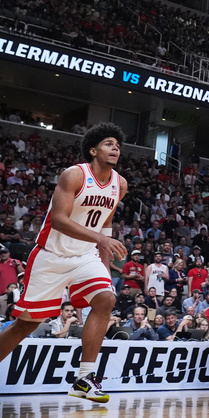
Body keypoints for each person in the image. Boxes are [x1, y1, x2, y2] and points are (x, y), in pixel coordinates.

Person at [0, 123, 127, 403]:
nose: (115, 147)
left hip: (85, 256)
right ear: (93, 150)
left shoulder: (120, 184)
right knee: (26, 325)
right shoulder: (74, 174)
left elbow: (105, 226)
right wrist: (102, 240)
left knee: (106, 298)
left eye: (118, 144)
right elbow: (59, 219)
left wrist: (104, 265)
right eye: (108, 143)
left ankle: (84, 379)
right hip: (51, 256)